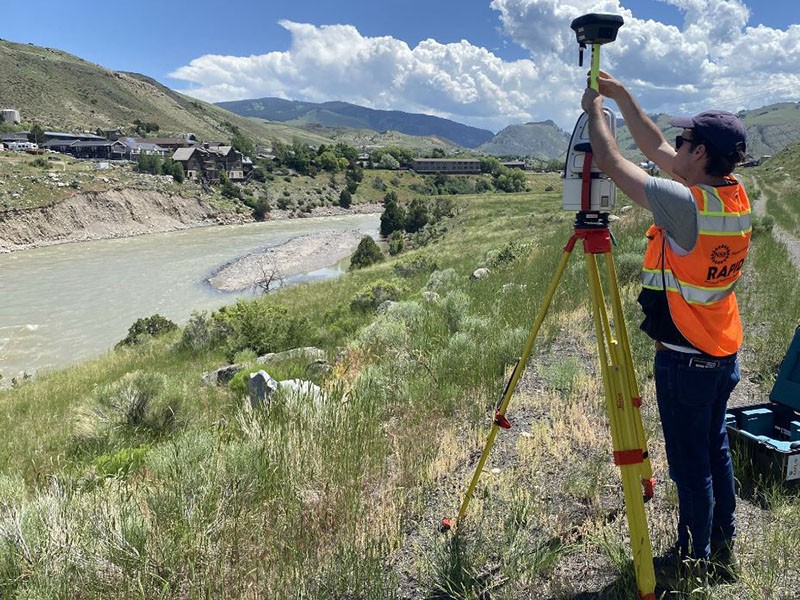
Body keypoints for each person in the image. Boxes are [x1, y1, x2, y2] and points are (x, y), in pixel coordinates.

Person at [581, 71, 749, 588]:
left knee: (689, 464)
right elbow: (653, 146)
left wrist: (595, 113)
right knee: (715, 446)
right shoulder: (730, 195)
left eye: (684, 141)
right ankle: (723, 537)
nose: (674, 145)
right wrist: (623, 96)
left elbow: (612, 162)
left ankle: (693, 556)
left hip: (687, 358)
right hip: (722, 350)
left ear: (698, 154)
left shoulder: (685, 204)